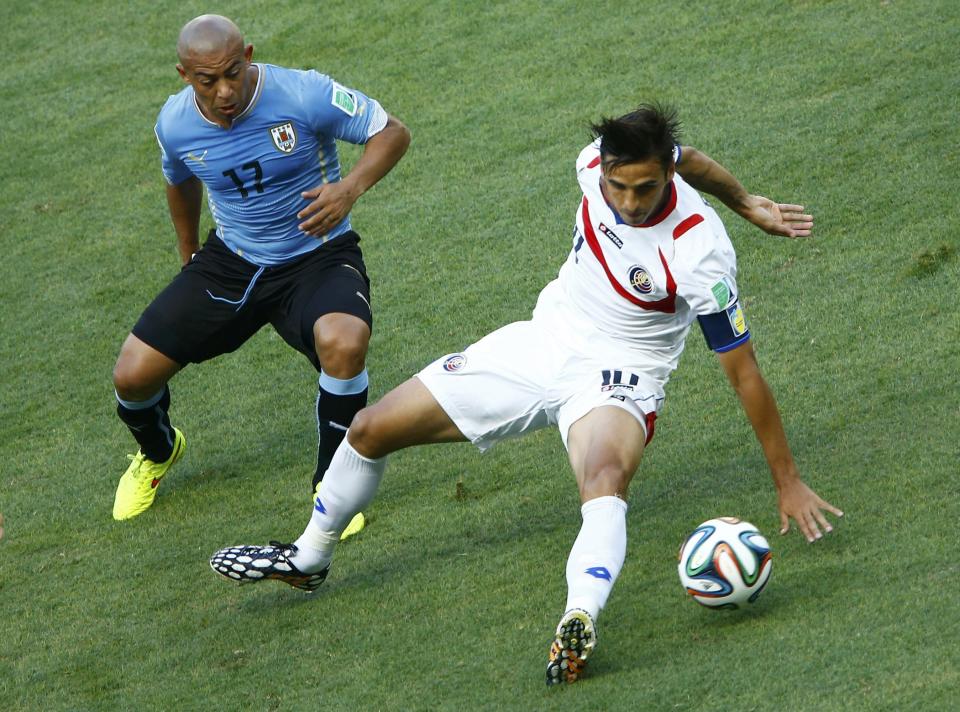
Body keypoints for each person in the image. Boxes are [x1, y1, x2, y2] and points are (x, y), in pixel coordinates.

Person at [209, 105, 842, 685]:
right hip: (542, 341)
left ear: (665, 176)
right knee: (370, 428)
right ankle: (309, 556)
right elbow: (694, 159)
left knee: (603, 478)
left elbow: (745, 373)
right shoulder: (593, 161)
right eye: (618, 186)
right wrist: (745, 197)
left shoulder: (701, 251)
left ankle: (579, 619)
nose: (628, 201)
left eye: (646, 188)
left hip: (621, 373)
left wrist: (786, 479)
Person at [111, 15, 411, 537]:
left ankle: (333, 486)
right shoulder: (175, 123)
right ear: (185, 75)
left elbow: (391, 133)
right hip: (232, 261)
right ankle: (159, 451)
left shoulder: (303, 93)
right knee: (132, 377)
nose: (225, 91)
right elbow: (180, 181)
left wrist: (349, 189)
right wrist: (187, 252)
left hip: (317, 254)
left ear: (248, 54)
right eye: (209, 81)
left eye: (234, 72)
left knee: (344, 341)